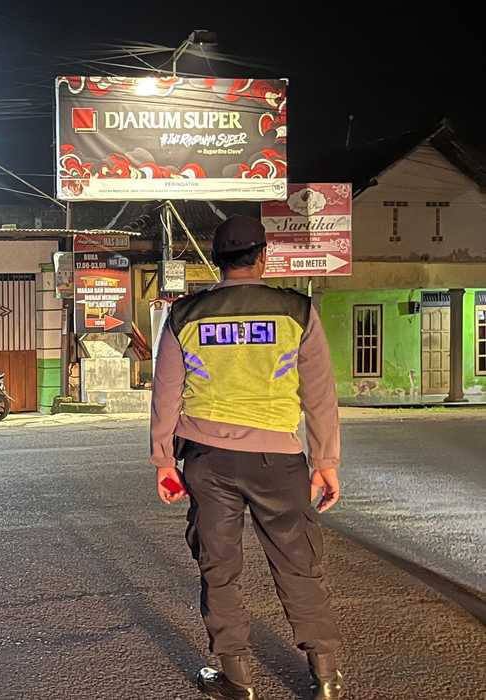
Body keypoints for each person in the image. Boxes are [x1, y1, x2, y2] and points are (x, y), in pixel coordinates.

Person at [151, 216, 346, 700]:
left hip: (208, 460)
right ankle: (325, 677)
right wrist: (325, 461)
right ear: (263, 257)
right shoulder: (297, 310)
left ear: (217, 261)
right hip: (278, 460)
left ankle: (237, 679)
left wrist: (164, 462)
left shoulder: (185, 314)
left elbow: (166, 393)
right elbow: (319, 394)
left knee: (219, 567)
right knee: (298, 564)